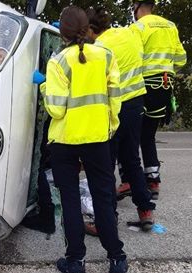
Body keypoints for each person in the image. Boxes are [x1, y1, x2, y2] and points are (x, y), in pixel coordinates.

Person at [41, 6, 127, 273]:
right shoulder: (106, 56)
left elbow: (55, 109)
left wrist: (45, 85)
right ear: (87, 29)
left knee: (69, 201)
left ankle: (76, 260)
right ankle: (117, 258)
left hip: (65, 141)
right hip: (98, 138)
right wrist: (109, 127)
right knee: (103, 197)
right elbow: (115, 99)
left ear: (62, 33)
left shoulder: (58, 62)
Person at [86, 7, 156, 232]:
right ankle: (145, 211)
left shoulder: (99, 48)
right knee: (132, 160)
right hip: (136, 105)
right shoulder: (129, 33)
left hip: (114, 109)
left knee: (106, 164)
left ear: (90, 29)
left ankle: (106, 221)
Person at [119, 0, 187, 199]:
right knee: (148, 135)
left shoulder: (137, 28)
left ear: (137, 6)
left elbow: (132, 58)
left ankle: (128, 180)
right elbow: (181, 59)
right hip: (165, 88)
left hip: (141, 88)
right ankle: (153, 180)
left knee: (128, 136)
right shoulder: (170, 26)